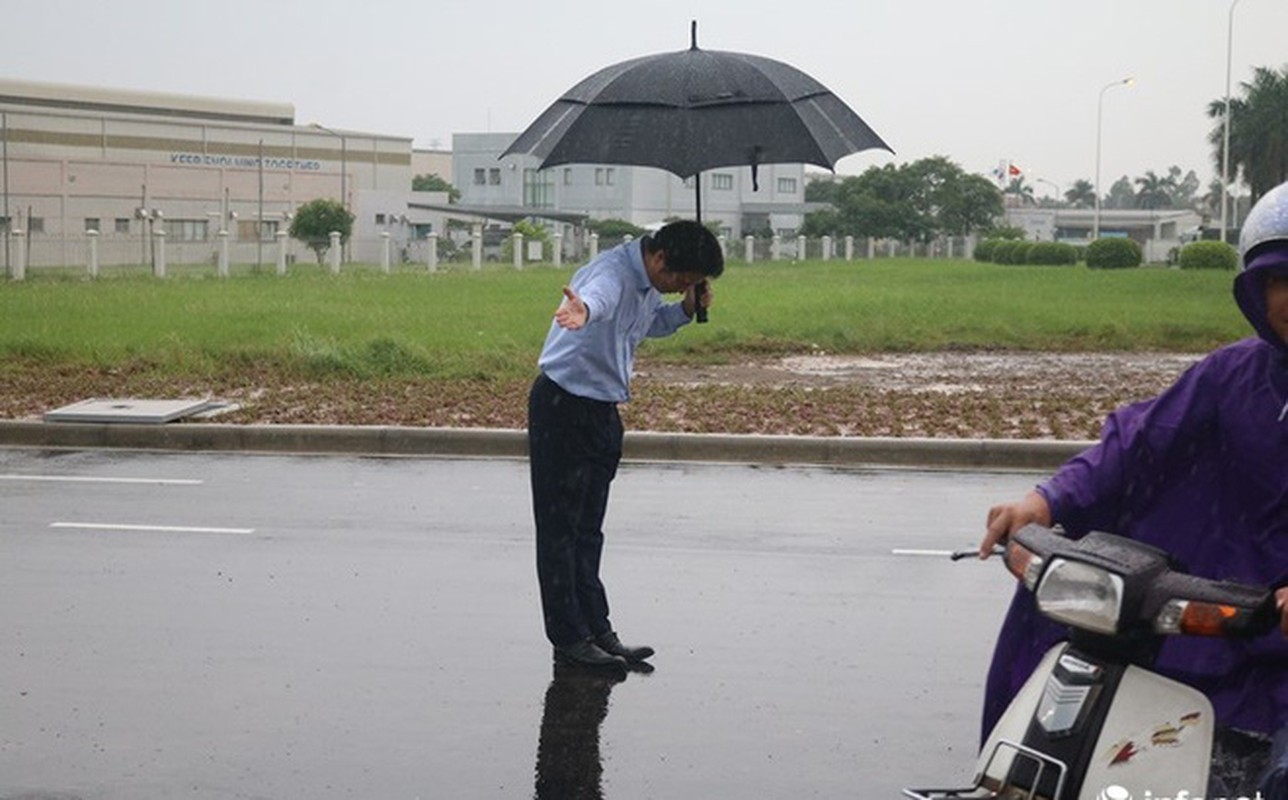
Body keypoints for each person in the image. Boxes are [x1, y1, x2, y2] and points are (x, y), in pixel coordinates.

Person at [977, 180, 1288, 797]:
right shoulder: (1233, 375)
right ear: (1257, 291)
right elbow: (1138, 442)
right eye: (1283, 279)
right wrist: (1046, 500)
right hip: (1220, 627)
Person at [528, 220, 724, 669]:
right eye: (681, 279)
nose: (680, 287)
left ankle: (597, 629)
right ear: (659, 259)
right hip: (563, 407)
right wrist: (583, 312)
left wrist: (684, 309)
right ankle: (569, 639)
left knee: (588, 530)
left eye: (691, 283)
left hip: (601, 411)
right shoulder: (612, 275)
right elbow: (598, 300)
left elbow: (648, 322)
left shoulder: (647, 281)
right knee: (561, 532)